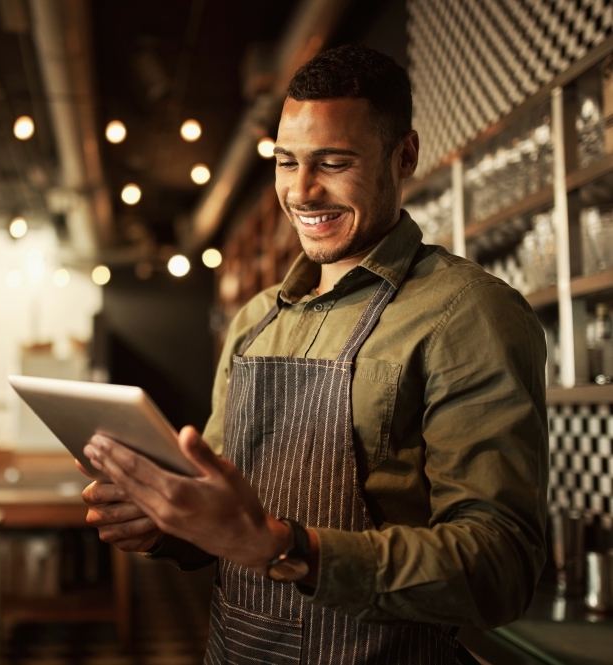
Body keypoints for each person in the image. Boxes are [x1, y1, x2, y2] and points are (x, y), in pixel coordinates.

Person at [80, 44, 548, 664]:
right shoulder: (255, 320)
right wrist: (172, 524)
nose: (302, 191)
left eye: (333, 162)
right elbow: (227, 523)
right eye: (286, 162)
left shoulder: (468, 312)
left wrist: (282, 546)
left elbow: (500, 566)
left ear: (403, 156)